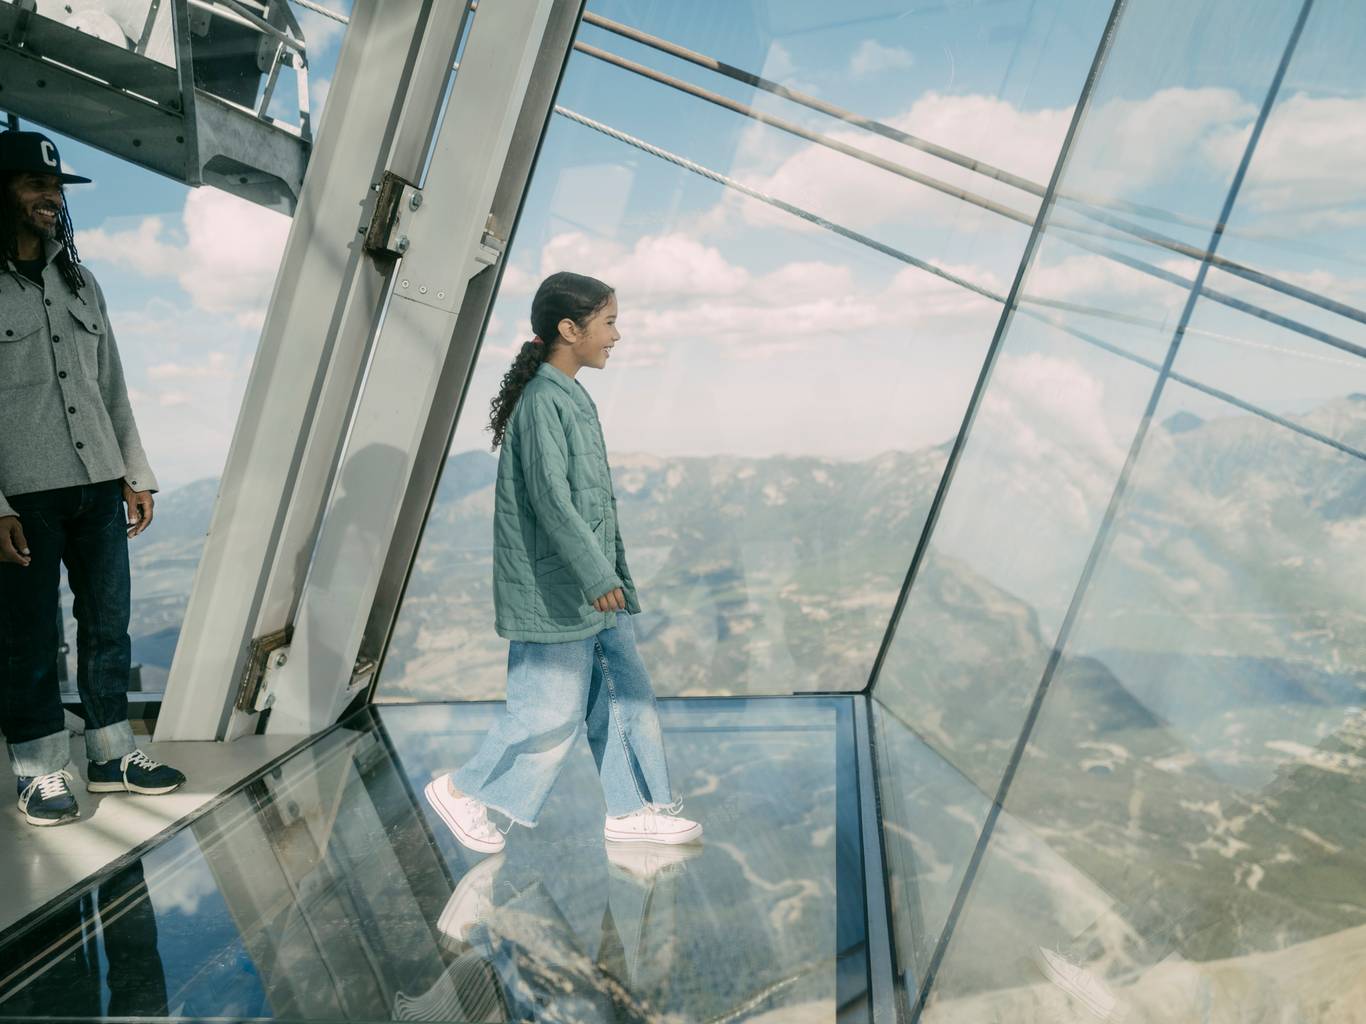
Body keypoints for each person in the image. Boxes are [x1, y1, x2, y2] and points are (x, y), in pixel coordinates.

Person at [424, 271, 701, 853]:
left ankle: (636, 808)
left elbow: (590, 501)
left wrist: (612, 576)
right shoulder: (542, 404)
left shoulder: (568, 396)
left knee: (624, 694)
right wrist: (599, 574)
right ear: (569, 329)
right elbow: (552, 499)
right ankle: (465, 790)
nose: (617, 335)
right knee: (549, 709)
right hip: (559, 587)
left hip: (593, 586)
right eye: (609, 323)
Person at [0, 129, 185, 827]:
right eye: (34, 186)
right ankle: (40, 771)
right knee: (26, 637)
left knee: (109, 625)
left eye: (55, 189)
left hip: (100, 485)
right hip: (24, 496)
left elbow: (113, 387)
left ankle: (111, 754)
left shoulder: (80, 280)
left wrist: (135, 474)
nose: (50, 198)